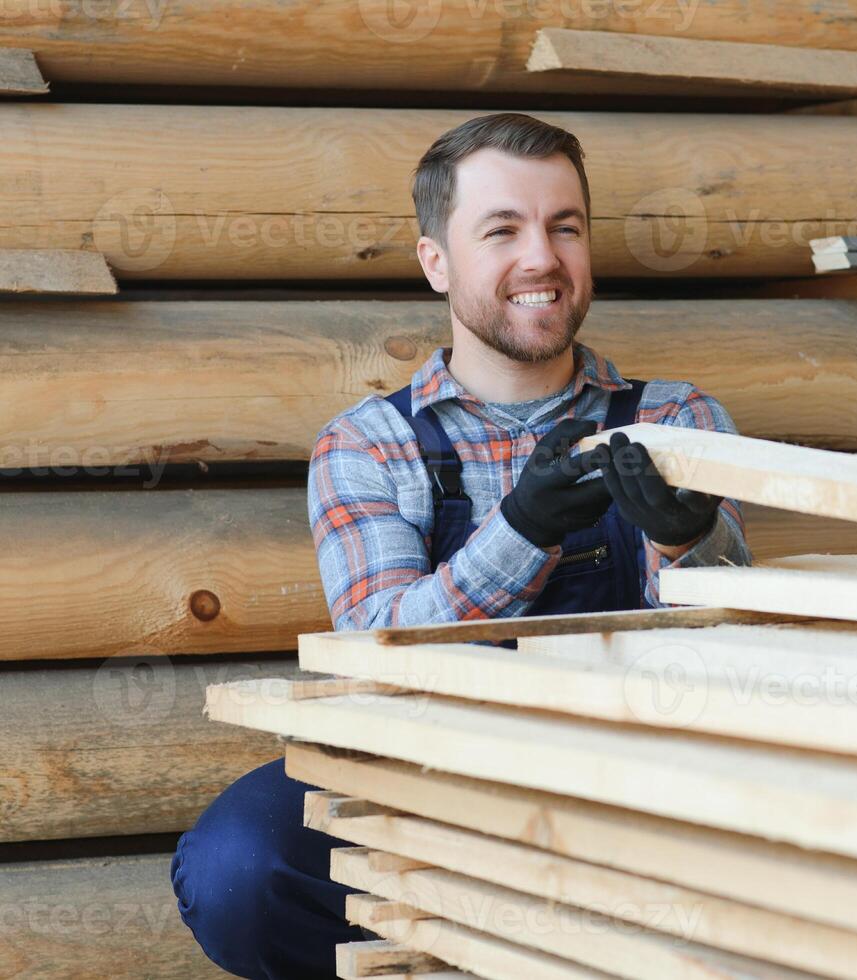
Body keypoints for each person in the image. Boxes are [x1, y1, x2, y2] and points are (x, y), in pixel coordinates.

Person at [171, 112, 752, 978]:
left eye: (565, 227)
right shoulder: (367, 444)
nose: (542, 259)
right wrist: (522, 532)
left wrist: (691, 542)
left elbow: (750, 649)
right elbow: (375, 650)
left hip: (633, 784)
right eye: (502, 230)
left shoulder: (674, 419)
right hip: (427, 785)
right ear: (435, 261)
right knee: (238, 866)